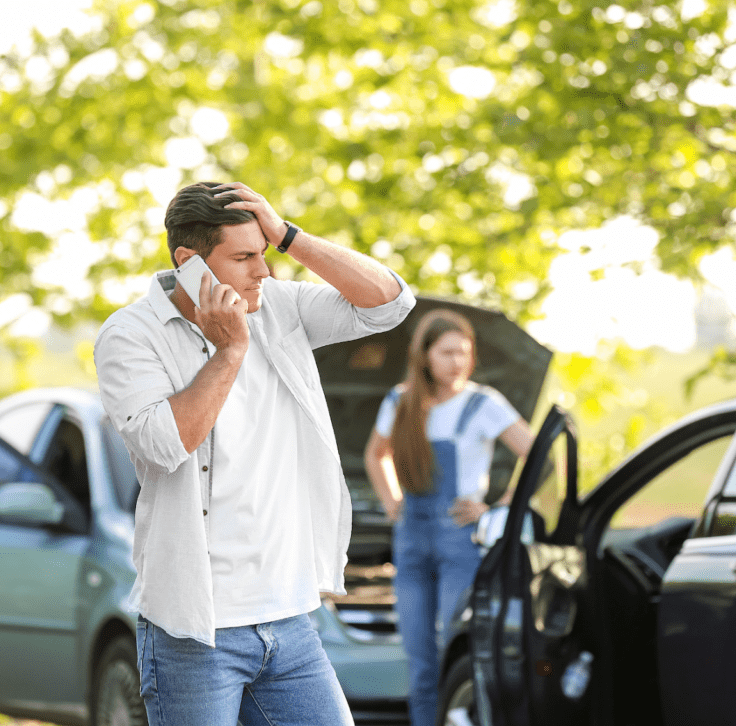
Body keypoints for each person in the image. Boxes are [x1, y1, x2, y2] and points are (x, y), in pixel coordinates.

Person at [94, 180, 415, 726]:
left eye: (263, 254)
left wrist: (290, 237)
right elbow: (165, 444)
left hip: (290, 621)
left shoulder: (280, 305)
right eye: (244, 258)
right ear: (188, 261)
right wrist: (231, 349)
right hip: (194, 631)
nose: (262, 271)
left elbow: (390, 304)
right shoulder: (130, 335)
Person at [364, 308, 535, 726]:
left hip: (462, 542)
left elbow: (537, 455)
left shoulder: (483, 404)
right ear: (424, 356)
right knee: (420, 659)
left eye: (464, 352)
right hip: (411, 542)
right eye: (447, 352)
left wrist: (497, 507)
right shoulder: (401, 401)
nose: (457, 361)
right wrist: (392, 502)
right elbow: (376, 453)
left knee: (453, 651)